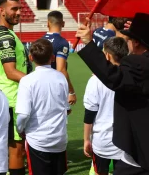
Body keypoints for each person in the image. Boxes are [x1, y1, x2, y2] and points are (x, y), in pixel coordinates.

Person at [76, 13, 149, 174]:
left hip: (139, 153)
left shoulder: (139, 63)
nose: (127, 42)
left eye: (129, 39)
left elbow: (114, 77)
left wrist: (88, 43)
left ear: (136, 43)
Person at [0, 0, 30, 175]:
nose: (18, 13)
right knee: (16, 149)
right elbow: (10, 72)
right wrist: (38, 82)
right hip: (11, 99)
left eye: (19, 9)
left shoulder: (0, 32)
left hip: (5, 96)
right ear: (1, 11)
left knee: (9, 147)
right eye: (14, 9)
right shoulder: (5, 35)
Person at [16, 39, 69, 175]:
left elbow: (23, 114)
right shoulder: (61, 78)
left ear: (30, 57)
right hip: (59, 139)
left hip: (37, 141)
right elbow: (66, 108)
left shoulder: (27, 81)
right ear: (52, 57)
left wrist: (20, 129)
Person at [83, 37, 128, 175]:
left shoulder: (95, 81)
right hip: (125, 142)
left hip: (102, 141)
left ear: (106, 55)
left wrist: (86, 139)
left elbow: (89, 114)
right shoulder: (131, 76)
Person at [42, 11, 77, 105]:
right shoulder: (61, 42)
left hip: (39, 85)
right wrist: (71, 91)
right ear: (63, 23)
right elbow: (61, 69)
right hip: (54, 87)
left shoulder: (40, 41)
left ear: (47, 23)